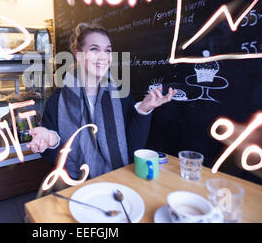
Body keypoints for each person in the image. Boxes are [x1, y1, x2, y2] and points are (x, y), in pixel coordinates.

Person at [26, 23, 177, 181]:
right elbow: (53, 159)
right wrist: (51, 141)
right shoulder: (57, 101)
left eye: (108, 50)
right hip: (76, 185)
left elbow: (133, 148)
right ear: (79, 55)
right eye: (94, 49)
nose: (103, 56)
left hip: (118, 179)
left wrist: (144, 110)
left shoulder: (120, 95)